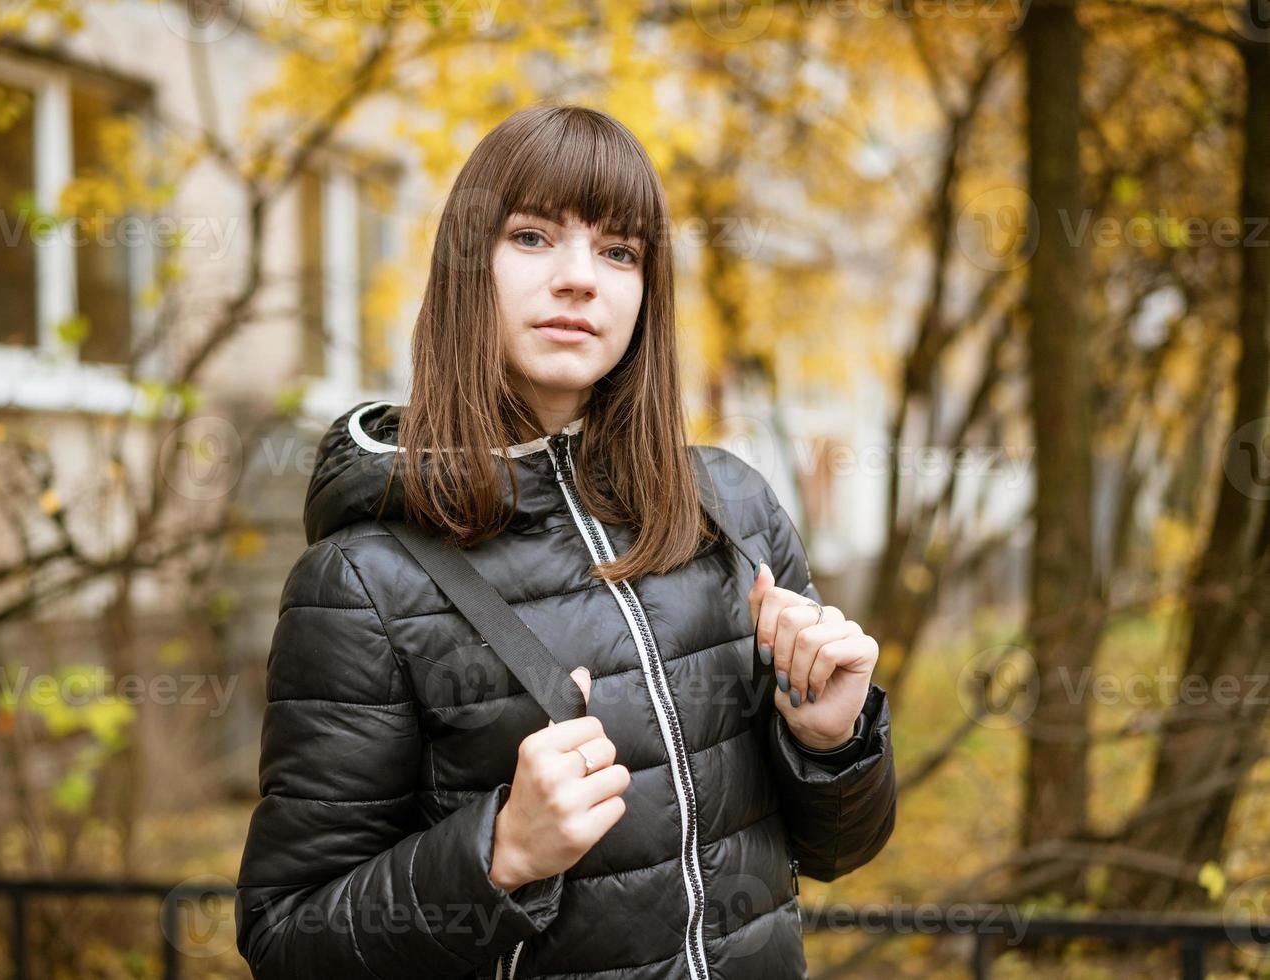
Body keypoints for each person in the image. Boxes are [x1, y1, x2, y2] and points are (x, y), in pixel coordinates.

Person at [235, 102, 896, 980]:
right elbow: (288, 938)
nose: (582, 278)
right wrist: (499, 856)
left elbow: (834, 851)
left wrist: (831, 740)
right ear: (469, 265)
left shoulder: (731, 511)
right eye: (533, 237)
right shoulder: (365, 580)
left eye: (619, 251)